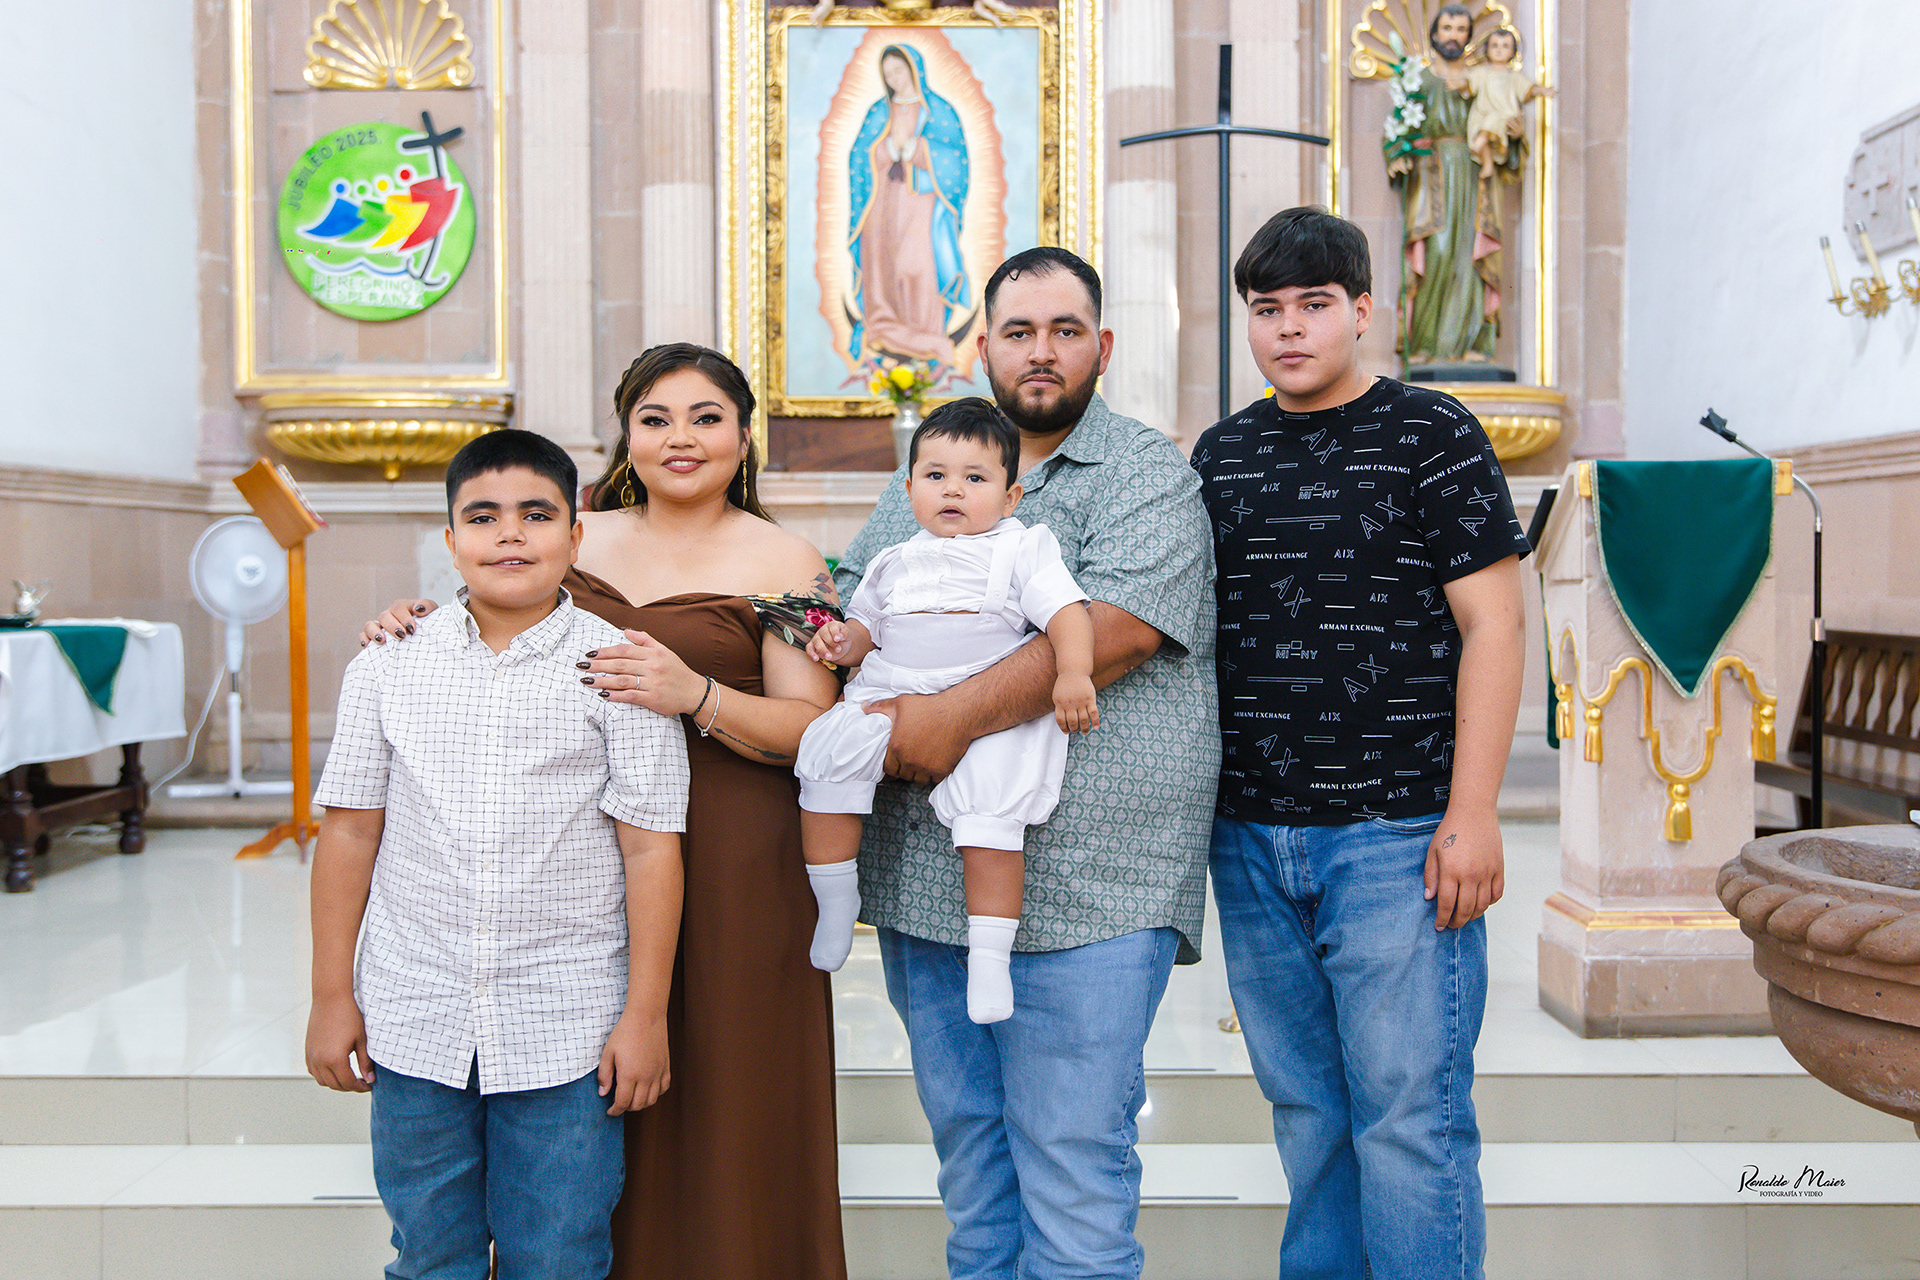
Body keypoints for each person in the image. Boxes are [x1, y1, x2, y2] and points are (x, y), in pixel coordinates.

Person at [358, 345, 848, 1280]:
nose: (680, 438)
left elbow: (816, 731)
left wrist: (695, 693)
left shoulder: (786, 559)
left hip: (735, 859)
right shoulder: (577, 532)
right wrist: (407, 621)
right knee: (584, 1102)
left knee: (725, 1095)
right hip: (577, 861)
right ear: (626, 435)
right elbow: (493, 614)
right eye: (655, 418)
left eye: (707, 418)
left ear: (746, 435)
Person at [834, 246, 1218, 1279]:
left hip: (1093, 881)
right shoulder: (937, 465)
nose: (1040, 351)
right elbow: (854, 593)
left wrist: (943, 717)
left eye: (1064, 330)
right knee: (972, 1166)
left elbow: (1119, 627)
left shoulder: (1144, 470)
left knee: (1073, 1161)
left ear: (1103, 345)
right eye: (1018, 331)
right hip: (929, 878)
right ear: (984, 347)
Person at [1191, 207, 1529, 1280]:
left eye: (1314, 304)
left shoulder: (1433, 434)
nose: (1289, 328)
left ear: (1364, 310)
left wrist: (1473, 813)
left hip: (1398, 833)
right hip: (1252, 837)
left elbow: (1496, 626)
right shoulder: (1222, 455)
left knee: (1410, 1118)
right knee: (1309, 1115)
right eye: (1267, 309)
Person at [307, 429, 691, 1279]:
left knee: (556, 1254)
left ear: (575, 535)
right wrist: (332, 995)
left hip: (566, 1023)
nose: (509, 534)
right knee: (429, 1253)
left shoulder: (620, 671)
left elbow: (649, 851)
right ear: (450, 540)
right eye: (482, 517)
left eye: (536, 515)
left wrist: (645, 1014)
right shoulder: (387, 665)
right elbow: (350, 833)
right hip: (415, 1013)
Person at [798, 398, 1097, 1025]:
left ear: (1010, 497)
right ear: (909, 489)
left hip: (984, 695)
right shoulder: (893, 559)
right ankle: (835, 902)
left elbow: (1067, 613)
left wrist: (1073, 673)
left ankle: (990, 959)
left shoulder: (1023, 548)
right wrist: (839, 642)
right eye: (935, 476)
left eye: (975, 477)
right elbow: (866, 630)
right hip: (893, 684)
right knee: (826, 758)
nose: (953, 489)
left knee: (991, 817)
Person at [847, 43, 972, 373]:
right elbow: (859, 156)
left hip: (921, 203)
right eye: (888, 74)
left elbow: (956, 158)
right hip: (881, 204)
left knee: (914, 267)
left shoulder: (938, 111)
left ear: (914, 70)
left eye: (899, 71)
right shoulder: (879, 112)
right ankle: (883, 330)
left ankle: (927, 337)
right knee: (881, 268)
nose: (894, 79)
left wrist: (919, 149)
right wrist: (884, 150)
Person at [1386, 2, 1498, 365]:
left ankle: (1471, 342)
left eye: (1460, 30)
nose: (1453, 36)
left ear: (1468, 36)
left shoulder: (1479, 80)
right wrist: (1397, 153)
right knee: (1436, 251)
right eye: (1447, 29)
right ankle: (1424, 343)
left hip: (1472, 172)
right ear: (1434, 34)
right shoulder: (1419, 79)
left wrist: (1506, 134)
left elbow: (1498, 117)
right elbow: (1397, 128)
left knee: (1468, 255)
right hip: (1430, 172)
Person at [1465, 28, 1553, 180]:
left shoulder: (1513, 77)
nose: (1499, 50)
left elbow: (1527, 88)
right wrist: (1458, 82)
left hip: (1504, 117)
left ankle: (1484, 149)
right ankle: (1486, 161)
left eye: (1505, 46)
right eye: (1495, 46)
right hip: (1483, 115)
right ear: (1487, 50)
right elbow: (1468, 84)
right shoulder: (1482, 73)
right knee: (1489, 124)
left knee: (1493, 122)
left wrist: (1542, 90)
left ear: (1513, 52)